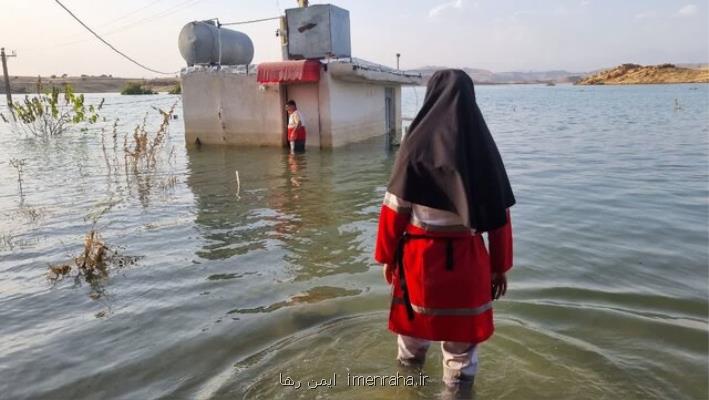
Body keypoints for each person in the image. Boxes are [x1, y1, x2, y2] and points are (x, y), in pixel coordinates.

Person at [374, 69, 516, 389]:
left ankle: (409, 392)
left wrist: (387, 257)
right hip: (468, 263)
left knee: (411, 344)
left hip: (418, 264)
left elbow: (394, 209)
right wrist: (499, 267)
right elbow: (500, 218)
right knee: (461, 354)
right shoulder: (482, 149)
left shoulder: (414, 146)